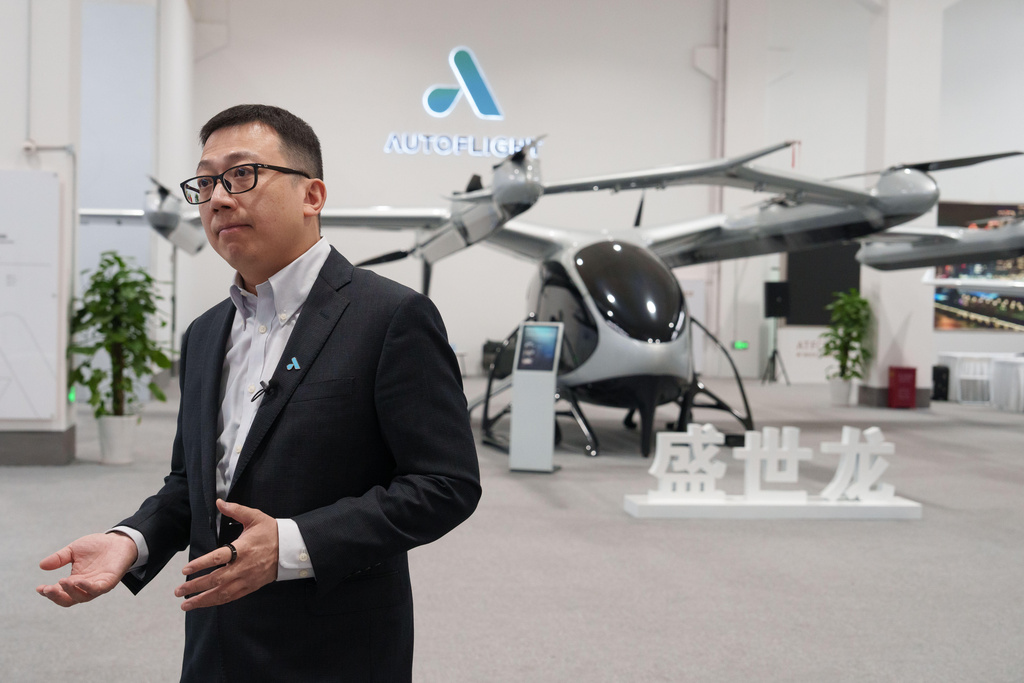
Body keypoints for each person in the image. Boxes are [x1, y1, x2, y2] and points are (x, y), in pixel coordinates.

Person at [37, 104, 482, 682]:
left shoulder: (391, 316)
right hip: (215, 646)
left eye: (242, 175)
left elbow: (445, 484)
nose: (218, 198)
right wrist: (133, 540)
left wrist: (294, 544)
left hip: (337, 647)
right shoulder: (204, 334)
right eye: (205, 183)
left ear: (312, 195)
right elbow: (191, 484)